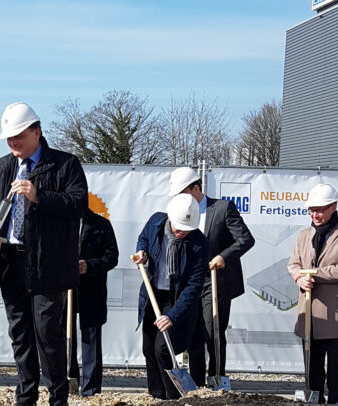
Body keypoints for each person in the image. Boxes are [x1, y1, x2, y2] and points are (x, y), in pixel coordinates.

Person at [0, 102, 88, 406]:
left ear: (36, 132)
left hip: (48, 264)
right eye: (9, 138)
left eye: (18, 136)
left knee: (48, 336)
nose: (13, 143)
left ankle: (57, 399)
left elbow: (77, 204)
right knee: (21, 336)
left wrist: (38, 195)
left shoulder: (65, 165)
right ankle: (25, 399)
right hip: (10, 262)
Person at [169, 167, 255, 387]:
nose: (180, 199)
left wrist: (223, 257)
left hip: (215, 281)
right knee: (193, 334)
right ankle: (197, 384)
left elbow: (245, 239)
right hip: (190, 282)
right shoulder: (177, 211)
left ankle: (217, 378)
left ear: (196, 188)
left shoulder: (222, 208)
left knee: (212, 330)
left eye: (183, 193)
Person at [132, 193, 208, 400]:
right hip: (153, 294)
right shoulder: (156, 221)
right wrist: (142, 252)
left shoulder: (199, 243)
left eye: (187, 229)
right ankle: (156, 396)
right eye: (179, 228)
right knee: (148, 348)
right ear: (170, 219)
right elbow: (143, 239)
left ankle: (173, 397)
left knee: (163, 349)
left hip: (176, 300)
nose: (182, 232)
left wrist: (171, 316)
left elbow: (193, 287)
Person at [288, 183, 338, 404]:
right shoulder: (304, 235)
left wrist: (315, 274)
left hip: (335, 315)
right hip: (309, 315)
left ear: (333, 207)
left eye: (320, 209)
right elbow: (293, 264)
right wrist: (300, 277)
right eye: (312, 210)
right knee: (312, 368)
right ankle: (314, 400)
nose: (315, 214)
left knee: (336, 370)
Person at [65, 208, 119, 396]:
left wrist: (90, 265)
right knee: (65, 337)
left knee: (91, 340)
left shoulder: (101, 225)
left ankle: (91, 391)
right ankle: (67, 385)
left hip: (92, 289)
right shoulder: (59, 223)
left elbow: (112, 257)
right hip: (64, 290)